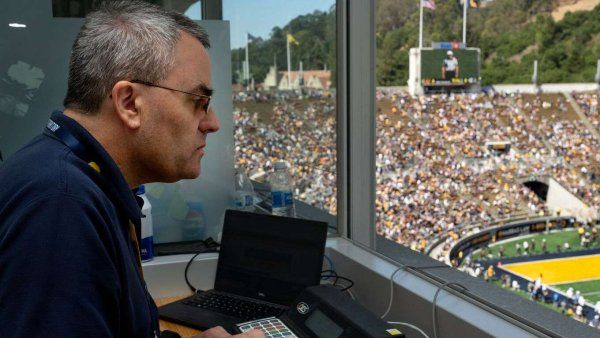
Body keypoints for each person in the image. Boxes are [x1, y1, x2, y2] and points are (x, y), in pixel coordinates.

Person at [0, 2, 263, 338]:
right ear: (128, 103)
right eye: (198, 102)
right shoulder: (59, 204)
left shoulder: (79, 180)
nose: (212, 123)